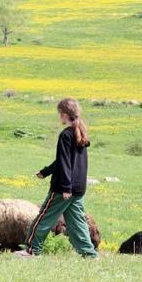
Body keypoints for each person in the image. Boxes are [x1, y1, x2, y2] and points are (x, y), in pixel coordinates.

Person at [14, 98, 98, 258]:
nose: (59, 116)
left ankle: (32, 251)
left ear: (65, 114)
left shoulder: (66, 135)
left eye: (59, 113)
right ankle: (90, 254)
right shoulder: (79, 132)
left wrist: (66, 187)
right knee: (77, 223)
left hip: (63, 189)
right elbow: (62, 161)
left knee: (44, 218)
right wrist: (45, 172)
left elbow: (65, 162)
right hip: (79, 189)